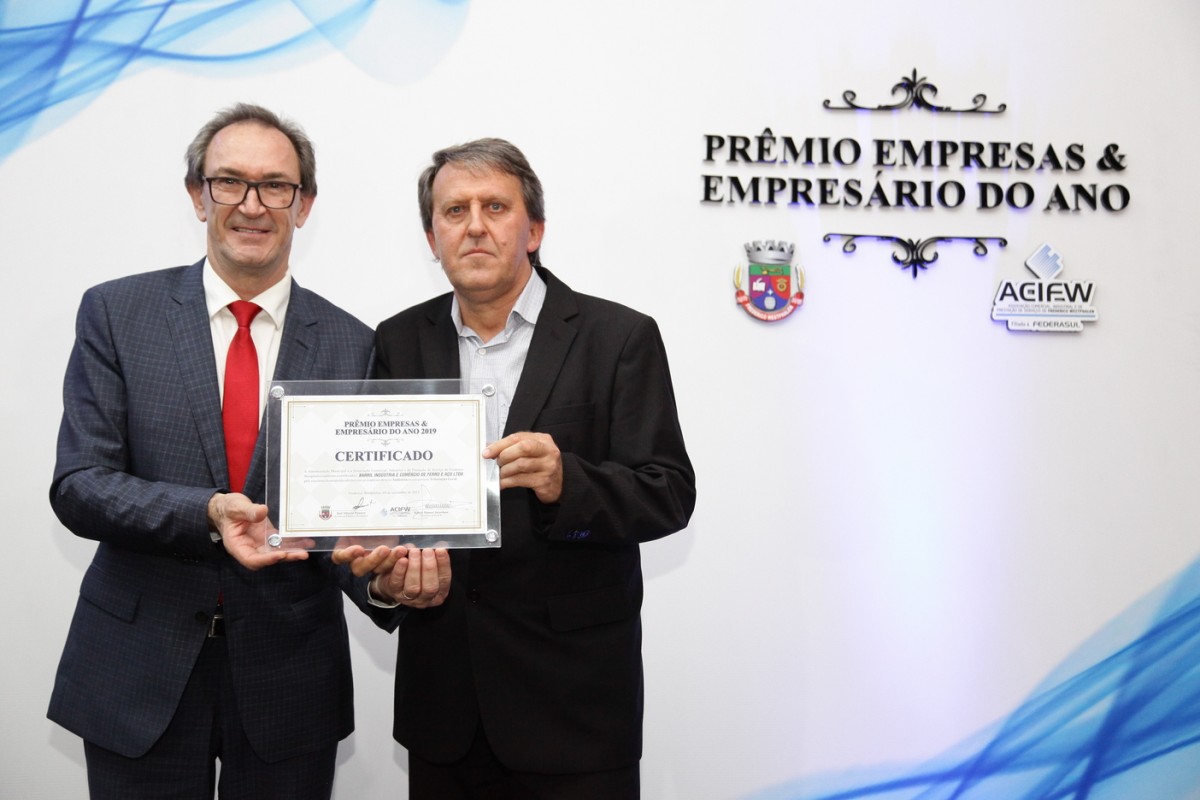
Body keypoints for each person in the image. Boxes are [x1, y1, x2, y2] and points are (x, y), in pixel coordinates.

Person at [47, 103, 449, 800]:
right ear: (197, 195)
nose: (252, 205)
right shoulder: (117, 314)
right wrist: (206, 512)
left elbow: (349, 521)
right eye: (230, 181)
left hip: (290, 679)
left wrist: (383, 581)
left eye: (276, 186)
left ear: (305, 204)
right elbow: (80, 484)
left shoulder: (353, 343)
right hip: (136, 671)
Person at [362, 138, 696, 799]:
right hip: (445, 705)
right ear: (432, 238)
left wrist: (567, 482)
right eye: (454, 210)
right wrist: (385, 583)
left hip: (574, 706)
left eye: (495, 206)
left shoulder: (618, 337)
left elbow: (668, 492)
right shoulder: (398, 340)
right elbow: (372, 503)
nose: (474, 226)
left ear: (534, 229)